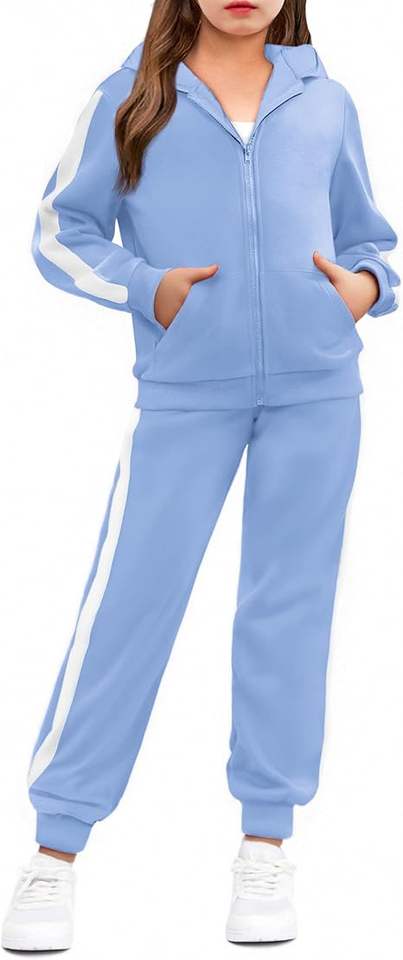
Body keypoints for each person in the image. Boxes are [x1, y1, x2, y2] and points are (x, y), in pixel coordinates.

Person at [2, 0, 399, 950]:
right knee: (130, 604)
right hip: (186, 394)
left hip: (317, 393)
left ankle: (266, 844)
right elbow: (60, 231)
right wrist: (151, 290)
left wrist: (365, 288)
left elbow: (370, 237)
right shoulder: (133, 95)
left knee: (287, 609)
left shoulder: (324, 99)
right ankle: (56, 848)